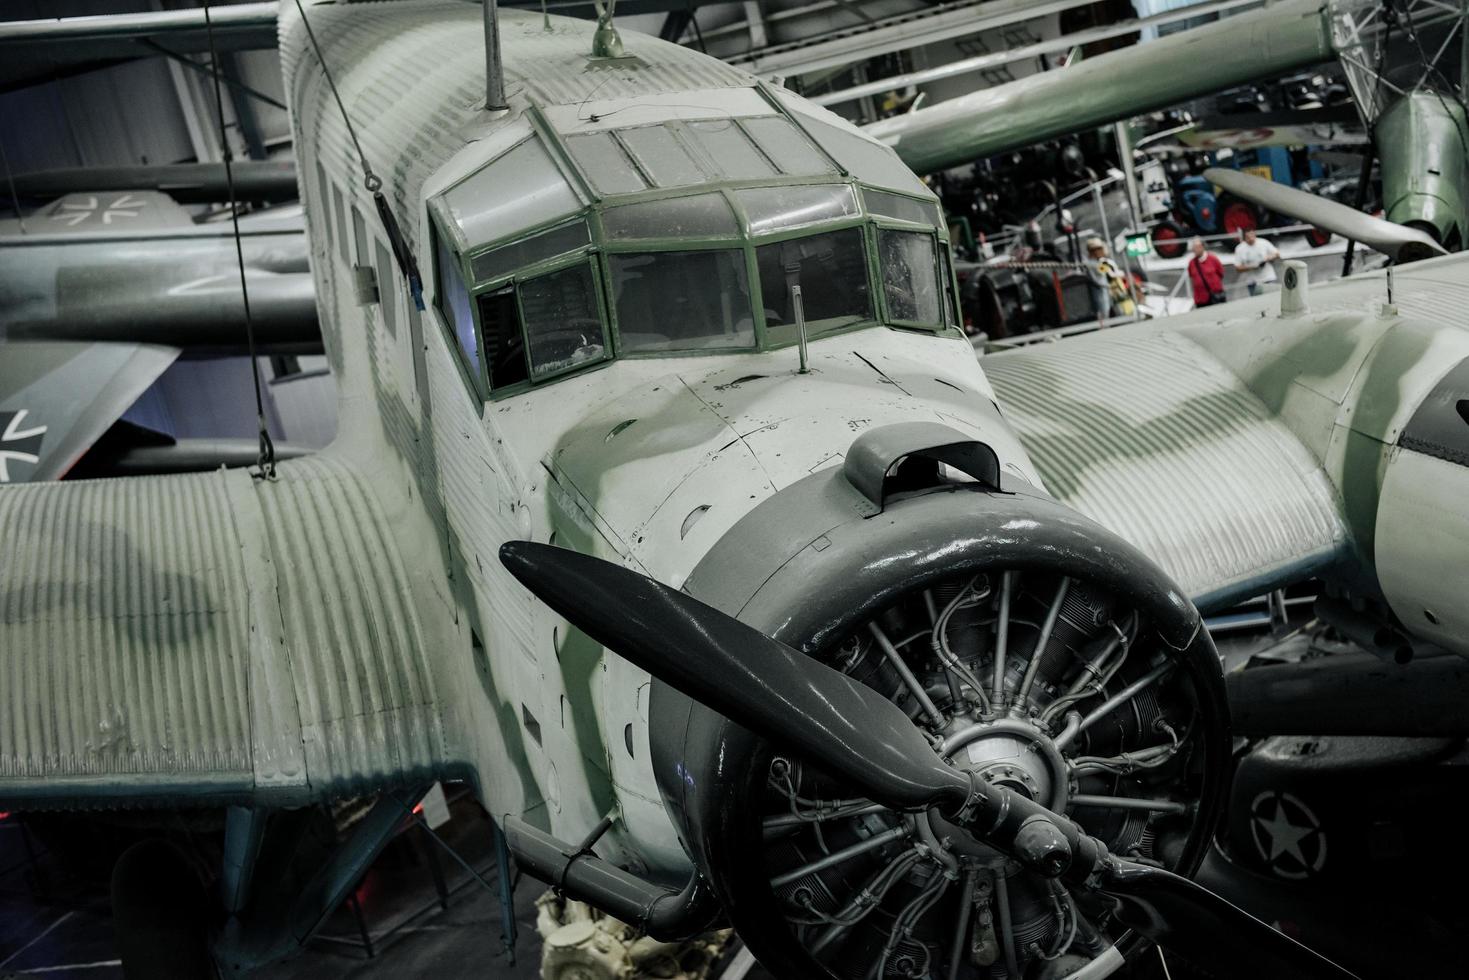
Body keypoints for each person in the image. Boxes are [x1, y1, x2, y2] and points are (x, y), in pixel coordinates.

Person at [1084, 237, 1136, 320]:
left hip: (1111, 290)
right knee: (1104, 311)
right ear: (1092, 251)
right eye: (1097, 249)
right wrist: (1119, 273)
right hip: (1101, 290)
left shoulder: (1102, 261)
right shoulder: (1093, 263)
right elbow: (1108, 273)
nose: (1100, 251)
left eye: (1100, 248)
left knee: (1120, 308)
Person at [1232, 227, 1280, 296]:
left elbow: (1277, 254)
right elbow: (1238, 267)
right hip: (1252, 281)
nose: (1251, 239)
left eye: (1252, 236)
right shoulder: (1240, 249)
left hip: (1268, 278)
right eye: (1248, 237)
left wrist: (1268, 258)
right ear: (1244, 238)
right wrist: (1252, 267)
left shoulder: (1263, 243)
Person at [1187, 237, 1227, 307]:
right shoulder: (1192, 263)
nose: (1194, 250)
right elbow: (1191, 276)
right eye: (1193, 248)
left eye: (1196, 247)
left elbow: (1221, 273)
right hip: (1200, 299)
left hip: (1215, 296)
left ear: (1202, 247)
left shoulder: (1212, 259)